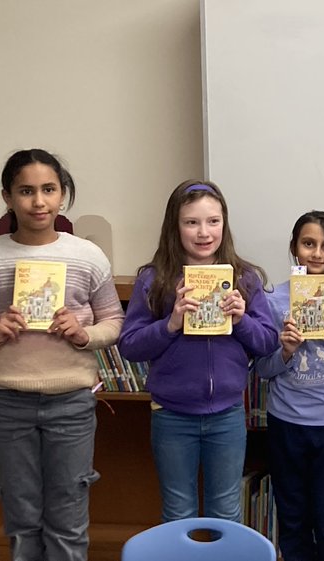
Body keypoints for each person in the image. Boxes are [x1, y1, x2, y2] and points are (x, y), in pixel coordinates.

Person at [0, 149, 124, 561]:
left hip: (72, 403)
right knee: (22, 519)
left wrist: (83, 335)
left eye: (49, 190)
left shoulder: (86, 256)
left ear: (63, 195)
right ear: (7, 196)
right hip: (9, 403)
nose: (38, 201)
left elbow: (114, 322)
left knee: (68, 518)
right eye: (26, 191)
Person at [118, 180, 278, 522]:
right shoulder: (155, 279)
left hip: (227, 414)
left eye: (213, 221)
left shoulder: (244, 278)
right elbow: (130, 345)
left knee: (226, 510)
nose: (203, 232)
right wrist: (171, 323)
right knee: (178, 511)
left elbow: (268, 342)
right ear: (175, 227)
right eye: (191, 222)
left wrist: (241, 320)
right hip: (171, 415)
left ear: (225, 224)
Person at [252, 210, 324, 561]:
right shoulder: (272, 301)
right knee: (293, 514)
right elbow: (262, 370)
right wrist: (285, 351)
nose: (317, 254)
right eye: (309, 244)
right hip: (286, 422)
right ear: (294, 249)